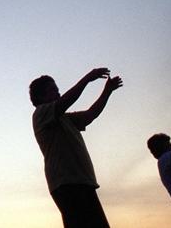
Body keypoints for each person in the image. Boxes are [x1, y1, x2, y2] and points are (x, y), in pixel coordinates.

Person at [29, 68, 123, 228]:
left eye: (58, 90)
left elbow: (90, 114)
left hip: (82, 182)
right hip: (67, 184)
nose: (58, 93)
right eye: (53, 90)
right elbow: (64, 102)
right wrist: (87, 78)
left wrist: (107, 91)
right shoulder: (40, 114)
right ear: (40, 97)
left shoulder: (66, 118)